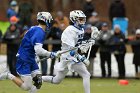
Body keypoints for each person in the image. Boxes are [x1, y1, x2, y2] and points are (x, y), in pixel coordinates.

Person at [0, 12, 59, 93]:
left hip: (30, 58)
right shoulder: (40, 32)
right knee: (26, 87)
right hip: (24, 59)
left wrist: (34, 57)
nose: (50, 22)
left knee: (38, 82)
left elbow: (30, 45)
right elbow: (38, 50)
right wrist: (51, 54)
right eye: (49, 20)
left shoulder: (35, 28)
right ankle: (8, 75)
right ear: (46, 20)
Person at [42, 10, 97, 93]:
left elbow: (79, 44)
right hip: (68, 58)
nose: (83, 21)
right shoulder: (69, 30)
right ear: (74, 19)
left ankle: (39, 78)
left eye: (83, 19)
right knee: (86, 75)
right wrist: (81, 58)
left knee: (57, 80)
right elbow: (71, 50)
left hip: (72, 56)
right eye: (80, 19)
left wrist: (90, 40)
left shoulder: (81, 30)